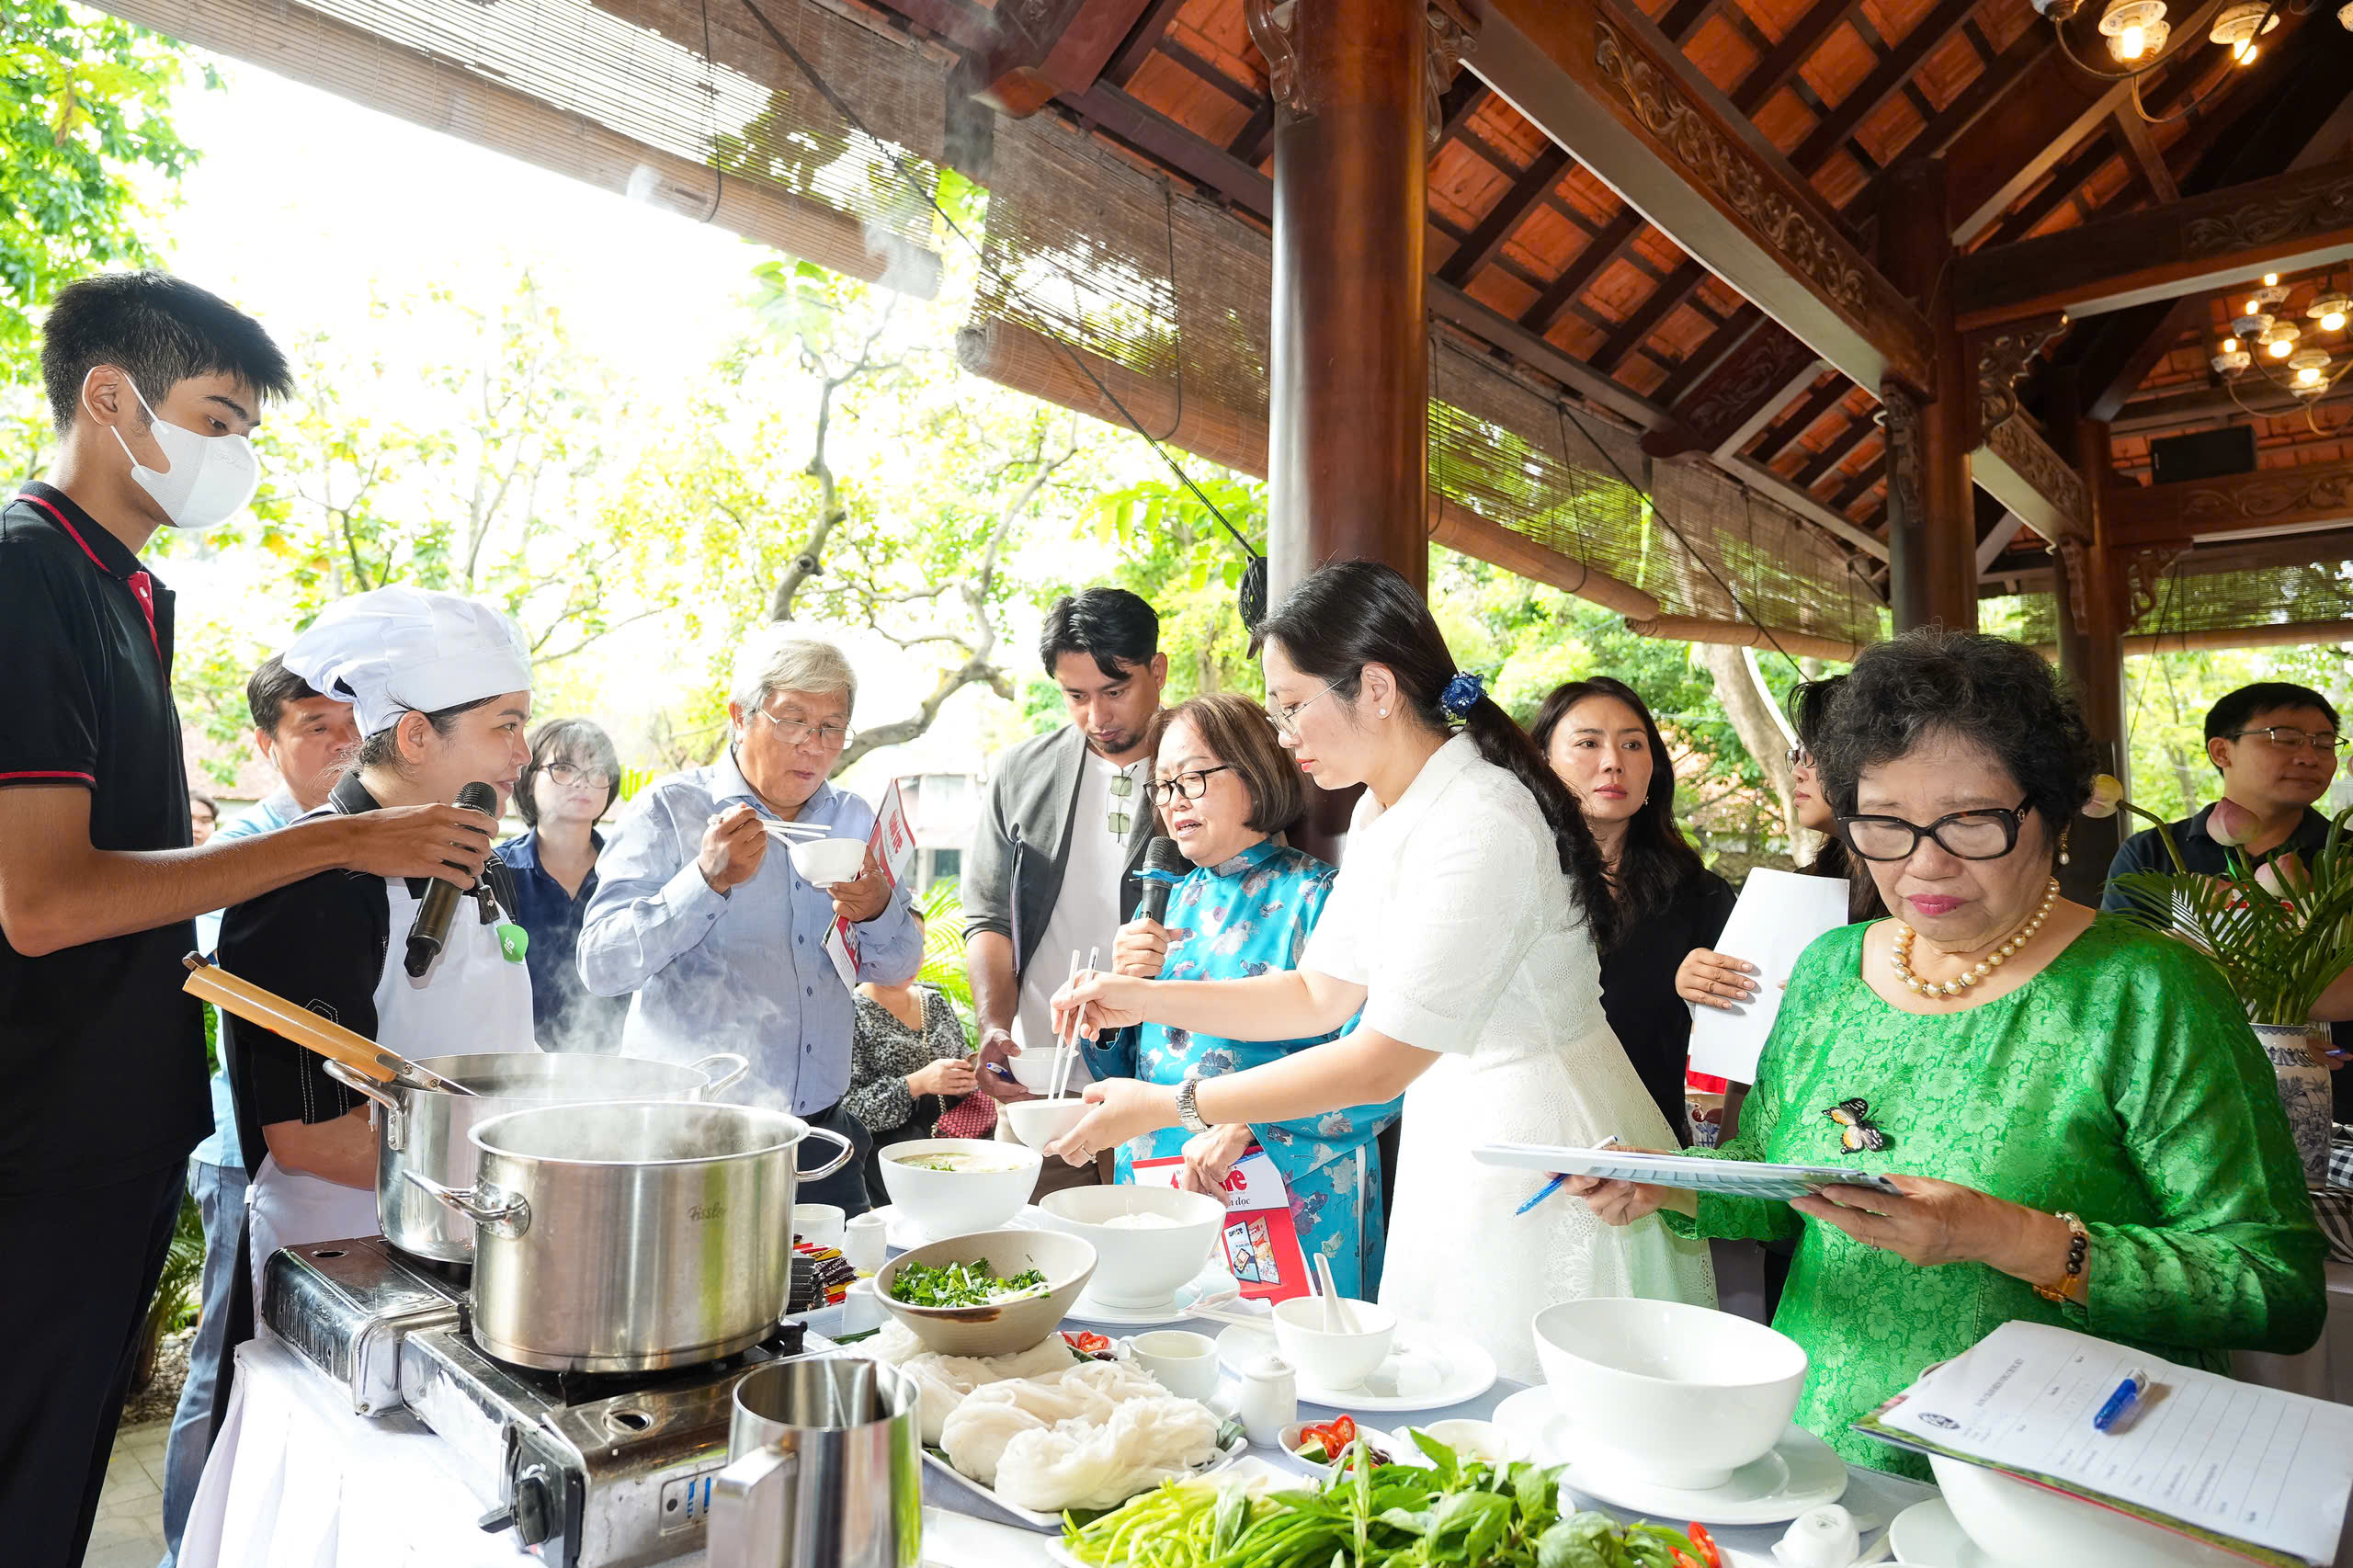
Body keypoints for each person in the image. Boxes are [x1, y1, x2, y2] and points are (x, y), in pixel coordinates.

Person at [1564, 630, 2325, 1479]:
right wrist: (1673, 1182)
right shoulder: (1829, 970)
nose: (1924, 863)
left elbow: (2274, 1287)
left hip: (2051, 1471)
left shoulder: (2147, 992)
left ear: (2053, 812)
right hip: (1822, 1455)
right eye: (1884, 823)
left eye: (1972, 821)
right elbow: (1781, 1192)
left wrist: (2013, 1238)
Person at [0, 273, 494, 1568]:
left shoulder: (129, 593)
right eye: (218, 418)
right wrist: (340, 839)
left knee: (53, 1476)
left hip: (111, 1127)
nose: (238, 458)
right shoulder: (27, 576)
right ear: (110, 399)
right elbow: (44, 902)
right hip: (35, 1142)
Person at [1045, 562, 1712, 1380]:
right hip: (1456, 1136)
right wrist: (1138, 994)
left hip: (1543, 1151)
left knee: (1519, 1410)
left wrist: (1168, 1102)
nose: (1284, 734)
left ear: (1377, 688)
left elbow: (1381, 1061)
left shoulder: (1482, 819)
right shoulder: (1383, 806)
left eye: (1292, 706)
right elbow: (1318, 993)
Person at [218, 586, 541, 1306]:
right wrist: (533, 1178)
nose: (523, 754)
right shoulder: (304, 885)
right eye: (505, 726)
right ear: (417, 736)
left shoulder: (482, 856)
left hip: (479, 1224)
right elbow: (314, 1137)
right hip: (350, 1252)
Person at [579, 626, 919, 1217]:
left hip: (821, 1137)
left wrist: (878, 910)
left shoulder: (854, 819)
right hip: (692, 1141)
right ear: (741, 716)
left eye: (831, 727)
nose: (814, 745)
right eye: (792, 721)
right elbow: (600, 965)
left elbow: (898, 967)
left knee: (838, 1305)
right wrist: (705, 879)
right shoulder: (673, 809)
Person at [1083, 693, 1402, 1297]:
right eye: (1163, 784)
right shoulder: (1170, 902)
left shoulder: (1323, 899)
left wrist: (1253, 1125)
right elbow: (1137, 1064)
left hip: (1284, 1181)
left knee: (1294, 1369)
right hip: (1164, 1178)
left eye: (1193, 778)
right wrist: (1113, 1016)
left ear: (1255, 772)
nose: (1174, 800)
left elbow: (1385, 1067)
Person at [160, 655, 358, 1568]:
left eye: (350, 721)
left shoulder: (367, 842)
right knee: (223, 1356)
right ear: (265, 741)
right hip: (244, 1148)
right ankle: (184, 1543)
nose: (341, 741)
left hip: (325, 1155)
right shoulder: (241, 850)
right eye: (314, 724)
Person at [2100, 680, 2351, 1119]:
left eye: (2325, 742)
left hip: (2339, 1100)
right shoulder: (2155, 852)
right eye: (2286, 739)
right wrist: (2269, 1037)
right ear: (2222, 752)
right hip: (2194, 1093)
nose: (2310, 756)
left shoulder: (2345, 857)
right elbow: (2126, 979)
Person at [967, 588, 1167, 1119]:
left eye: (1115, 690)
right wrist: (993, 1027)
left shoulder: (1212, 768)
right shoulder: (1019, 773)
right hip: (1039, 1082)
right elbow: (988, 919)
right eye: (1076, 696)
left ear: (1159, 671)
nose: (1097, 715)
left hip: (1165, 1087)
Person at [1532, 677, 1732, 1142]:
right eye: (1587, 743)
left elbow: (1748, 1037)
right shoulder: (1514, 883)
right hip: (1542, 1133)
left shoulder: (1701, 894)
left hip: (1658, 1149)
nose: (1612, 763)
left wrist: (1701, 998)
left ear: (1654, 770)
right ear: (1541, 761)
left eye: (1632, 744)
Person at [499, 718, 630, 1054]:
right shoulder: (493, 872)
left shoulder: (629, 874)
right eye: (564, 768)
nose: (582, 783)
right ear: (528, 779)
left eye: (598, 771)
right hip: (513, 1066)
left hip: (618, 1068)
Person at [845, 904, 987, 1206]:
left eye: (918, 944)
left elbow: (963, 1063)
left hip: (958, 1162)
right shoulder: (850, 1013)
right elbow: (848, 1113)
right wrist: (916, 1084)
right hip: (892, 1175)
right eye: (899, 944)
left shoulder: (933, 1002)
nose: (912, 956)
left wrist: (972, 1073)